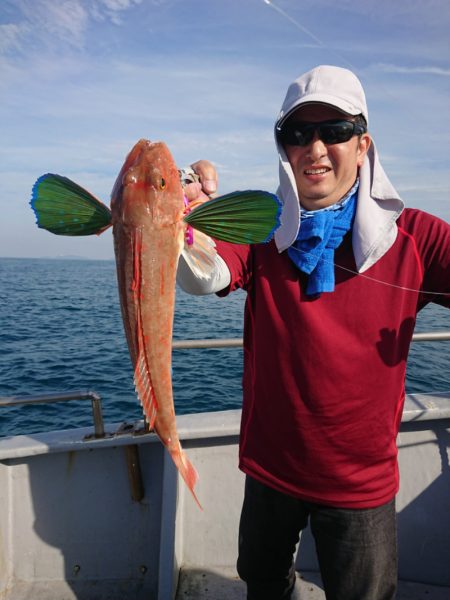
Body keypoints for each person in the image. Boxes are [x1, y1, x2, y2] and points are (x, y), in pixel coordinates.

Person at [180, 65, 450, 600]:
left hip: (361, 483)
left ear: (364, 142)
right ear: (284, 147)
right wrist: (185, 215)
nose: (316, 147)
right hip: (271, 469)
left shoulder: (416, 234)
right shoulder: (262, 223)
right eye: (298, 134)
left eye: (335, 130)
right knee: (264, 585)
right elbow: (202, 274)